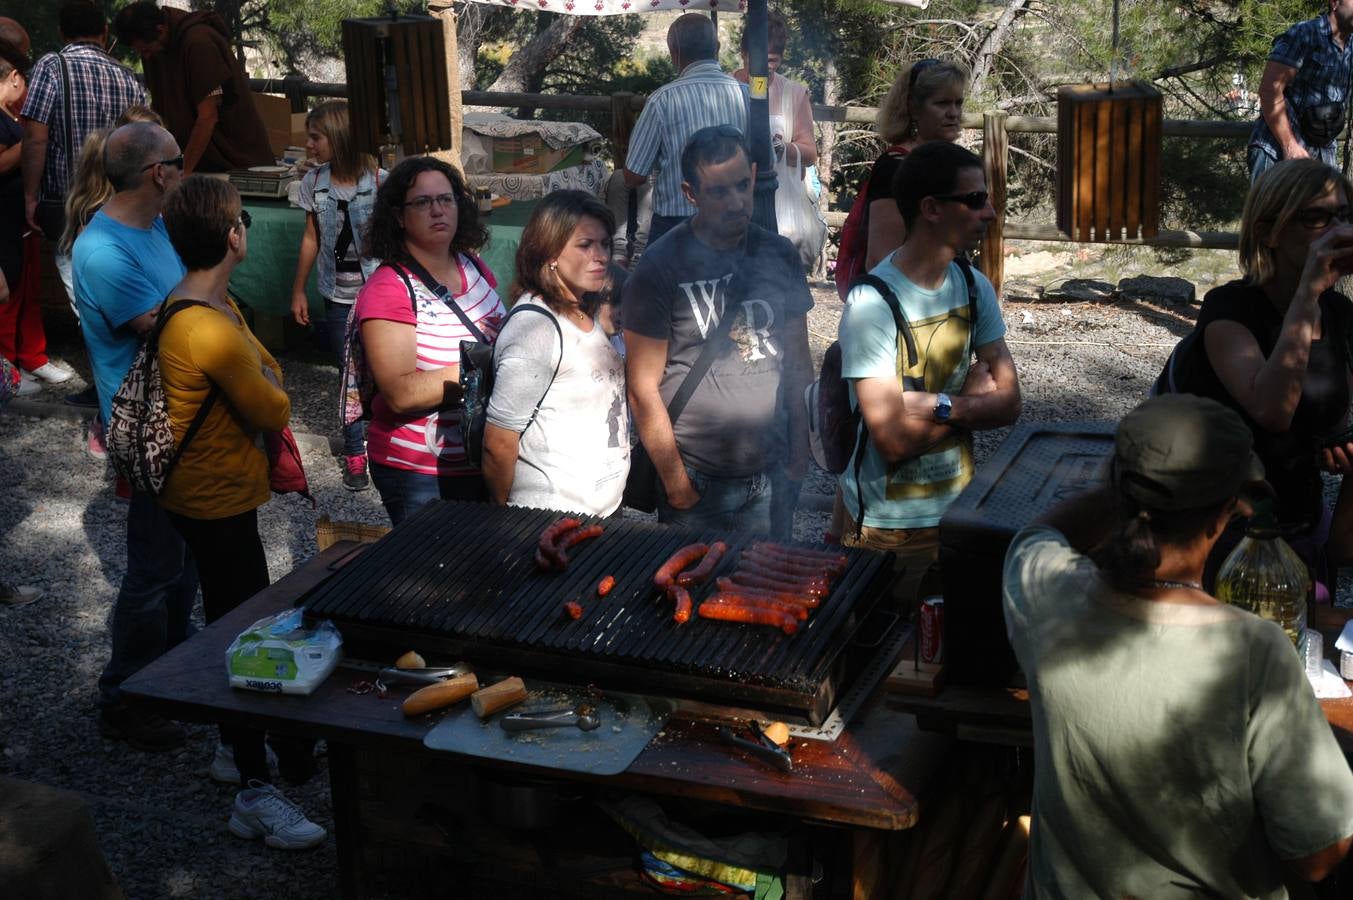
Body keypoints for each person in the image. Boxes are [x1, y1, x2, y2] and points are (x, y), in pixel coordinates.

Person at [1003, 393, 1353, 896]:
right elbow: (1320, 855)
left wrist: (1125, 490)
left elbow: (1037, 535)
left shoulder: (1047, 595)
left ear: (1119, 495)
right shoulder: (1253, 651)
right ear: (1224, 517)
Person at [158, 174, 325, 850]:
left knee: (237, 619)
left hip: (211, 494)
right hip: (215, 501)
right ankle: (254, 789)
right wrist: (271, 378)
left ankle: (248, 747)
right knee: (243, 635)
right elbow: (272, 407)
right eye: (242, 222)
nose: (246, 230)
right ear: (231, 235)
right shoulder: (210, 326)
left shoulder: (198, 301)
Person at [836, 141, 1021, 613]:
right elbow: (892, 442)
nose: (991, 213)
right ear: (932, 209)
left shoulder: (973, 286)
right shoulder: (871, 303)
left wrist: (934, 404)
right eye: (976, 200)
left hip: (959, 517)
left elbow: (1010, 403)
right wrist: (966, 398)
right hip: (888, 529)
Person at [1161, 159, 1353, 590]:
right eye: (1318, 217)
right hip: (1214, 530)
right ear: (1270, 232)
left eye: (1344, 215)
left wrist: (1339, 439)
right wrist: (1309, 291)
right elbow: (1272, 410)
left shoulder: (1341, 316)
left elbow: (1333, 413)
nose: (1338, 230)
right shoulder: (1230, 308)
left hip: (1298, 522)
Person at [624, 126, 813, 534]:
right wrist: (678, 486)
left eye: (743, 186)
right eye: (719, 192)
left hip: (772, 470)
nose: (736, 203)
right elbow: (642, 387)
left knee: (765, 590)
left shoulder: (779, 254)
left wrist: (800, 455)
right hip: (697, 475)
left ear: (755, 174)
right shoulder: (660, 266)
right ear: (690, 194)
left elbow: (799, 361)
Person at [72, 121, 194, 751]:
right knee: (154, 569)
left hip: (179, 418)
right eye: (180, 161)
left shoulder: (153, 227)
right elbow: (169, 326)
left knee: (184, 562)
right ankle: (125, 697)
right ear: (158, 174)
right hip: (149, 426)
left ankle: (169, 679)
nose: (185, 171)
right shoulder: (103, 250)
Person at [353, 156, 505, 525]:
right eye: (422, 202)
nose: (437, 210)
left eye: (446, 199)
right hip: (420, 472)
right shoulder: (390, 287)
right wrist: (489, 366)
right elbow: (401, 393)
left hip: (478, 455)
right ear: (399, 217)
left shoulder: (471, 264)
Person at [482, 190, 628, 516]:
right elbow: (498, 442)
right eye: (585, 245)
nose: (601, 256)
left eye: (605, 244)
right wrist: (503, 517)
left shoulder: (585, 308)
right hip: (551, 520)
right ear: (550, 252)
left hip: (603, 513)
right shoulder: (535, 329)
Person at [20, 1, 145, 312]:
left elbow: (35, 139)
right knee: (118, 277)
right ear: (104, 31)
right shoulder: (129, 77)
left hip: (67, 199)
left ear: (62, 33)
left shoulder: (51, 67)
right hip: (119, 198)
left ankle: (104, 347)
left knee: (81, 287)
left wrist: (30, 196)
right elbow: (145, 139)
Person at [288, 100, 383, 492]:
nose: (309, 145)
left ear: (339, 137)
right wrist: (299, 288)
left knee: (380, 368)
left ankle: (384, 441)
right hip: (337, 295)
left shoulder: (380, 181)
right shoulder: (314, 183)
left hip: (377, 294)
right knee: (349, 373)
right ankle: (355, 450)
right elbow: (312, 236)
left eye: (315, 137)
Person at [58, 104, 162, 459]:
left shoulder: (151, 221)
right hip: (136, 400)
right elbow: (145, 320)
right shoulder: (101, 240)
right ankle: (106, 425)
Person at [623, 13, 753, 246]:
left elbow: (633, 174)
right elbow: (765, 161)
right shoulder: (747, 95)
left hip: (675, 228)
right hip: (735, 221)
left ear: (675, 53)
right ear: (718, 48)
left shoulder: (661, 100)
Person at [112, 2, 273, 175]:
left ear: (160, 30)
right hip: (196, 163)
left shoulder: (199, 42)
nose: (146, 56)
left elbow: (208, 117)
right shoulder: (155, 50)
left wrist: (182, 172)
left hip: (233, 163)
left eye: (147, 50)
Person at [861, 59, 967, 272]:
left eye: (958, 103)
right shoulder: (895, 167)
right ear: (914, 108)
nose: (954, 113)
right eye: (942, 103)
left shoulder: (952, 163)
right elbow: (881, 260)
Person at [1248, 0, 1353, 182]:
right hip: (1278, 153)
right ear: (1335, 3)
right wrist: (1290, 146)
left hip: (1321, 159)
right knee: (1273, 212)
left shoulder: (1351, 46)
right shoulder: (1304, 34)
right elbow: (1269, 90)